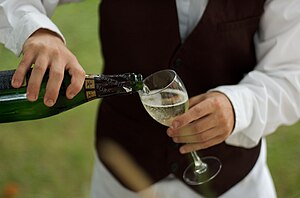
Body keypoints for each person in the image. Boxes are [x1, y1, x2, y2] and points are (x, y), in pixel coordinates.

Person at [1, 0, 300, 197]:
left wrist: (239, 107)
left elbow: (292, 71)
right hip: (121, 179)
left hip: (236, 185)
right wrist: (38, 31)